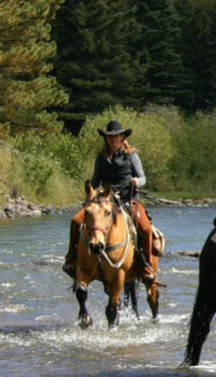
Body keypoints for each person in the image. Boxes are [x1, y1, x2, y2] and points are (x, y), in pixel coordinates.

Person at [63, 120, 157, 280]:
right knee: (76, 221)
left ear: (122, 138)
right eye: (110, 137)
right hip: (104, 201)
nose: (113, 140)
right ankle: (72, 258)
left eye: (116, 137)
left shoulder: (132, 156)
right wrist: (91, 194)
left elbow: (143, 177)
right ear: (106, 139)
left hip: (127, 199)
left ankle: (147, 266)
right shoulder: (101, 157)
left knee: (145, 229)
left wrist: (137, 181)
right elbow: (95, 180)